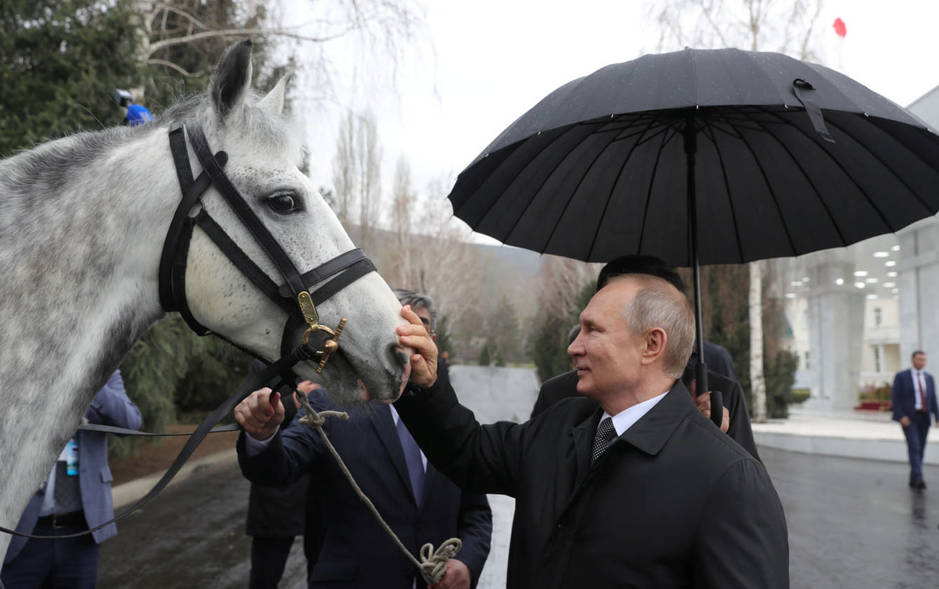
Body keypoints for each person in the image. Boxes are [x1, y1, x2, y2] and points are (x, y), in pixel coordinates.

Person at [393, 272, 789, 588]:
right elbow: (468, 451)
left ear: (652, 344)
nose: (573, 346)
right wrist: (426, 386)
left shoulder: (728, 479)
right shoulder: (562, 423)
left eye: (592, 330)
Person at [235, 290, 492, 589]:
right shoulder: (333, 405)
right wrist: (263, 435)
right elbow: (279, 468)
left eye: (420, 326)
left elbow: (477, 512)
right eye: (398, 324)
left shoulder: (453, 421)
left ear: (432, 341)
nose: (409, 336)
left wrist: (467, 562)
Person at [530, 255, 759, 460]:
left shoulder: (719, 397)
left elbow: (745, 490)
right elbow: (533, 479)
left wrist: (712, 441)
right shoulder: (558, 397)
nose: (574, 348)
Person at [1, 370, 142, 588]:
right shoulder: (30, 364)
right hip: (23, 532)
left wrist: (91, 380)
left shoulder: (106, 370)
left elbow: (130, 423)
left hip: (81, 534)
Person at [243, 361, 319, 589]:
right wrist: (295, 402)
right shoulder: (263, 359)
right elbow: (248, 415)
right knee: (265, 575)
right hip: (277, 492)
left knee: (323, 571)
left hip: (321, 488)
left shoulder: (330, 354)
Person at [891, 350, 938, 490]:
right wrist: (901, 416)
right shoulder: (901, 376)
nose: (921, 362)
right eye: (919, 359)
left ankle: (914, 477)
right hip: (909, 418)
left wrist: (937, 417)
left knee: (921, 447)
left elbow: (933, 398)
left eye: (924, 360)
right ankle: (918, 478)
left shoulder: (929, 378)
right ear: (912, 360)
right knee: (914, 446)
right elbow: (895, 397)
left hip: (924, 417)